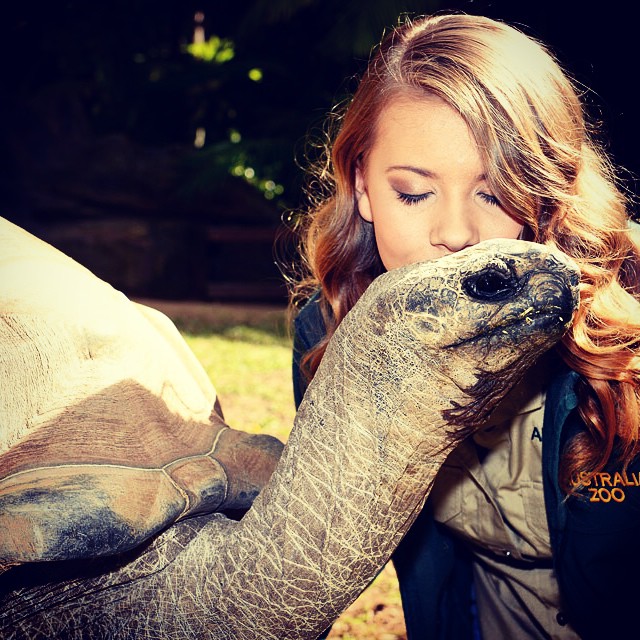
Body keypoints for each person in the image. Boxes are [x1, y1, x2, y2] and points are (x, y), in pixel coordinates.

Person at [288, 12, 640, 640]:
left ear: (545, 191)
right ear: (364, 185)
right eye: (414, 193)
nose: (455, 235)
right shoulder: (331, 333)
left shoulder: (629, 318)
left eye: (494, 191)